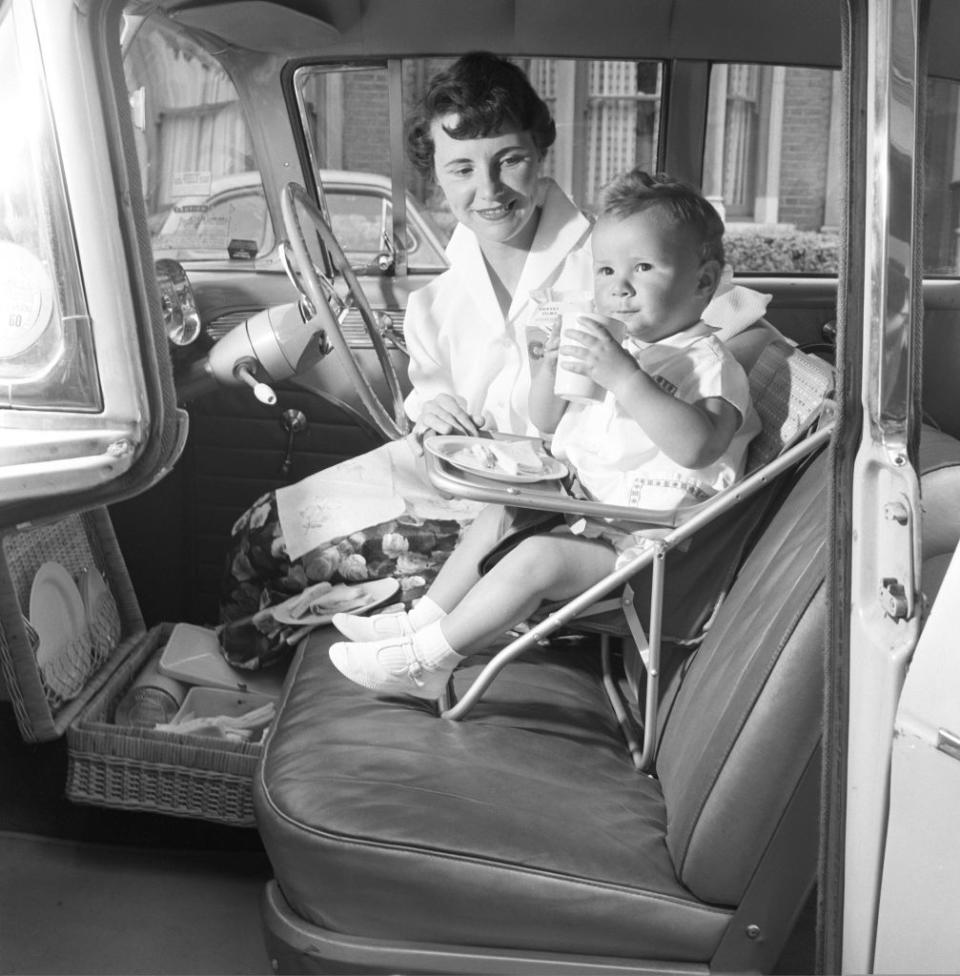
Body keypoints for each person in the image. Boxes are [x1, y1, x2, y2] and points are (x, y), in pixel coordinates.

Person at [220, 54, 770, 670]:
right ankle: (255, 670)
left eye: (509, 160)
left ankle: (278, 659)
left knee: (271, 551)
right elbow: (424, 408)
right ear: (438, 179)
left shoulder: (616, 256)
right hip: (453, 480)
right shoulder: (435, 300)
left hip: (552, 504)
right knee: (258, 527)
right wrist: (435, 413)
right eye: (462, 169)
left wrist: (641, 373)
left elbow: (712, 327)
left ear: (540, 156)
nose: (489, 191)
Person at [327, 169, 761, 699]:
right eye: (604, 270)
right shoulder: (627, 350)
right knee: (503, 511)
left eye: (643, 267)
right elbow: (550, 422)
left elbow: (697, 447)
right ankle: (420, 620)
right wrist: (547, 373)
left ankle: (427, 662)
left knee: (536, 557)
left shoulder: (709, 363)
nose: (618, 287)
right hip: (594, 514)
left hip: (652, 552)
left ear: (703, 280)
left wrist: (625, 377)